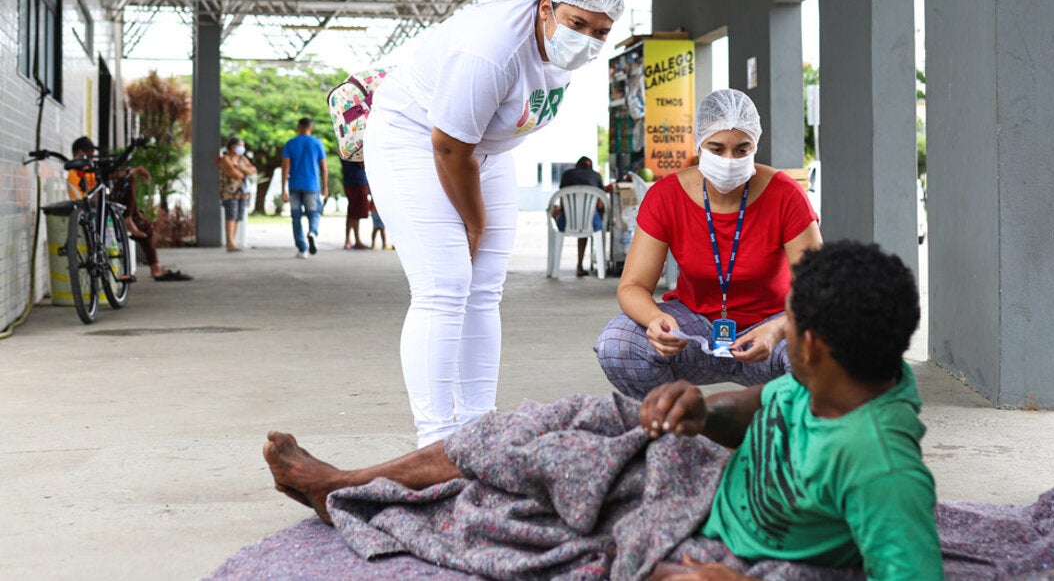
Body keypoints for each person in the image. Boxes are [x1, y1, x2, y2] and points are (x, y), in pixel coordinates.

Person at [262, 241, 941, 579]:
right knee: (528, 431)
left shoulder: (880, 468)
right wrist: (700, 409)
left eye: (789, 323)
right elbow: (757, 405)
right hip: (692, 471)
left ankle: (349, 493)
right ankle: (342, 486)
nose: (783, 332)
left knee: (523, 513)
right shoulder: (832, 377)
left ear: (814, 343)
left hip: (718, 545)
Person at [363, 0, 624, 446]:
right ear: (546, 8)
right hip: (417, 137)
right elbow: (448, 146)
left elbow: (481, 137)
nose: (589, 39)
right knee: (445, 284)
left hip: (483, 147)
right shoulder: (492, 50)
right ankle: (437, 441)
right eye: (578, 24)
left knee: (484, 288)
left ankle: (480, 429)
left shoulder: (560, 54)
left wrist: (478, 218)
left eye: (601, 32)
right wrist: (473, 220)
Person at [594, 89, 822, 399]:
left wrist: (779, 328)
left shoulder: (785, 195)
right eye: (717, 148)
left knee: (822, 347)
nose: (729, 160)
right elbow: (632, 286)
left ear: (756, 144)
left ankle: (784, 433)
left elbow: (818, 290)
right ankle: (676, 427)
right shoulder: (666, 196)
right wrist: (656, 320)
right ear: (699, 143)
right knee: (618, 344)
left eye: (743, 149)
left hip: (770, 332)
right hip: (694, 333)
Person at [68, 136, 191, 281]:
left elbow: (115, 174)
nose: (90, 156)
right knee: (128, 180)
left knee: (144, 226)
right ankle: (129, 219)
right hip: (93, 209)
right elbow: (85, 197)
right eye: (87, 152)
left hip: (102, 206)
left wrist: (136, 169)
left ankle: (155, 266)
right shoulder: (76, 172)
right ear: (78, 152)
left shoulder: (89, 169)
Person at [281, 118, 328, 259]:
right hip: (312, 185)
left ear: (298, 127)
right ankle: (312, 232)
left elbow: (285, 168)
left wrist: (283, 188)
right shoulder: (317, 143)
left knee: (296, 217)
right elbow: (324, 168)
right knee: (313, 213)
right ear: (310, 127)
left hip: (294, 185)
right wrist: (325, 187)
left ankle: (302, 249)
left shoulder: (290, 144)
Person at [551, 155, 605, 276]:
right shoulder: (596, 176)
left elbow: (562, 203)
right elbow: (600, 205)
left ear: (576, 166)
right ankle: (580, 266)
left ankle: (555, 264)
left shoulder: (567, 174)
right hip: (590, 223)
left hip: (566, 223)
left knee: (554, 210)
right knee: (586, 221)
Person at [217, 136, 257, 252]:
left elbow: (252, 170)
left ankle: (232, 242)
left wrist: (240, 168)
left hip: (242, 192)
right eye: (240, 145)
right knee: (231, 216)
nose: (242, 148)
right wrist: (244, 170)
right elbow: (235, 173)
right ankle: (229, 242)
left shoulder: (242, 159)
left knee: (238, 217)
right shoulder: (225, 158)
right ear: (233, 147)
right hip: (230, 192)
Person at [340, 158, 371, 250]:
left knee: (352, 211)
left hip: (349, 181)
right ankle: (355, 240)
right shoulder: (356, 147)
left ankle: (349, 239)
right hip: (358, 181)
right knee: (355, 213)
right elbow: (362, 164)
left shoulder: (344, 147)